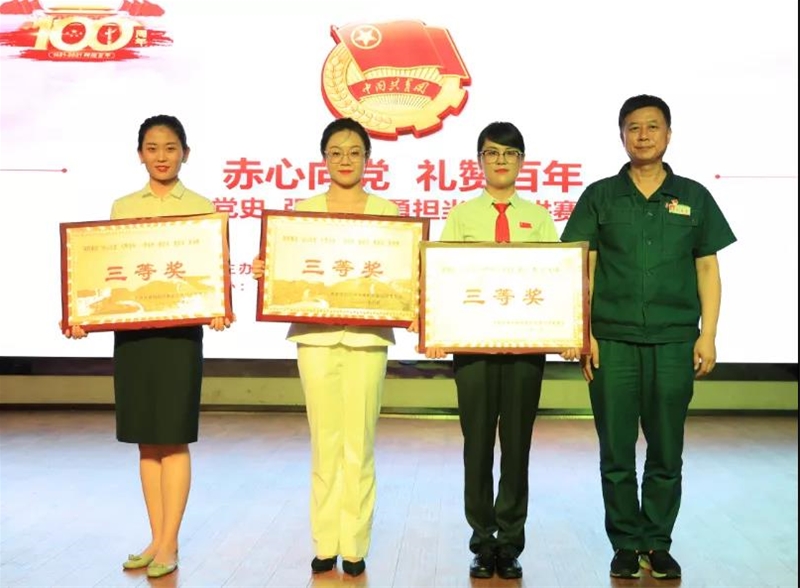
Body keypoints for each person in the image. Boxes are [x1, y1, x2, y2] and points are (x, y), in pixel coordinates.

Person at [560, 94, 737, 580]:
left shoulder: (694, 196)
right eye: (633, 127)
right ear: (621, 136)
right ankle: (624, 542)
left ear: (668, 134)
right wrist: (583, 332)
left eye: (652, 126)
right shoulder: (600, 196)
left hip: (674, 340)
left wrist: (709, 335)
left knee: (666, 449)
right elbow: (582, 267)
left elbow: (707, 268)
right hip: (612, 339)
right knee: (616, 451)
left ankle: (657, 542)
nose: (643, 135)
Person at [62, 114, 232, 579]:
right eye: (152, 148)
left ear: (185, 154)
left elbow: (210, 273)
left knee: (173, 439)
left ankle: (170, 543)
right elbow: (107, 271)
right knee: (145, 442)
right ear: (140, 154)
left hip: (179, 339)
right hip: (134, 338)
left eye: (171, 148)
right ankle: (155, 540)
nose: (161, 156)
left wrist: (218, 305)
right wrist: (83, 314)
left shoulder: (201, 206)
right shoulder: (122, 207)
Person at [252, 117, 401, 578]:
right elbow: (288, 269)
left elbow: (399, 274)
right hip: (315, 336)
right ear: (324, 159)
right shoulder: (302, 213)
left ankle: (354, 546)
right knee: (325, 442)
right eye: (336, 152)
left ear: (368, 159)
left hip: (367, 338)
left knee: (360, 442)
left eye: (354, 152)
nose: (345, 160)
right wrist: (267, 270)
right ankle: (325, 542)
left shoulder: (388, 213)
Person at [425, 122, 558, 580]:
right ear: (479, 160)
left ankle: (510, 542)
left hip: (526, 350)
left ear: (522, 161)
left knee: (517, 446)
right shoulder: (461, 216)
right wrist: (437, 330)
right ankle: (483, 542)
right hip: (473, 350)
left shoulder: (539, 218)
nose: (501, 161)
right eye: (492, 153)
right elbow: (443, 278)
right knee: (477, 446)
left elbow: (555, 281)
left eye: (509, 153)